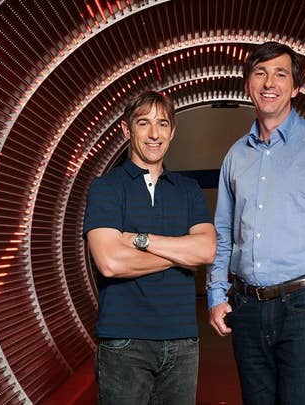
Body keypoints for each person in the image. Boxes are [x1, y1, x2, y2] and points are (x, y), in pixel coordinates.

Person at [207, 42, 305, 404]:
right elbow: (225, 233)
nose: (269, 82)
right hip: (246, 309)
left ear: (295, 87)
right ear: (247, 84)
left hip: (304, 308)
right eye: (260, 73)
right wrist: (216, 293)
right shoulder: (235, 156)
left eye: (280, 74)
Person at [84, 90, 216, 405]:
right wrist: (181, 254)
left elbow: (207, 251)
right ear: (127, 130)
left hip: (183, 341)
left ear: (173, 131)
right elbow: (110, 262)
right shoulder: (106, 188)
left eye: (162, 124)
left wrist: (139, 240)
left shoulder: (189, 190)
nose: (154, 134)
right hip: (125, 341)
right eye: (144, 124)